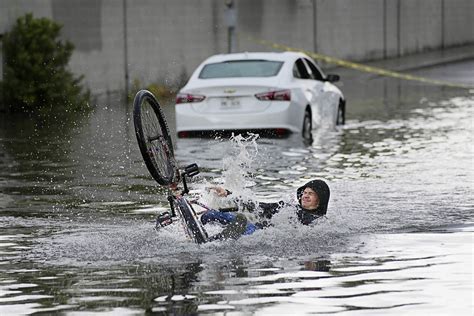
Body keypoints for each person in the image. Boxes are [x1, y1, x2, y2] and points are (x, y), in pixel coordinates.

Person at [200, 179, 330, 240]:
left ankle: (208, 241)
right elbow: (259, 206)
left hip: (255, 234)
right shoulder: (288, 208)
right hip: (256, 228)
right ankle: (200, 233)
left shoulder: (318, 223)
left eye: (311, 194)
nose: (305, 196)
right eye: (305, 192)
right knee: (209, 215)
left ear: (320, 199)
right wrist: (228, 193)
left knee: (241, 228)